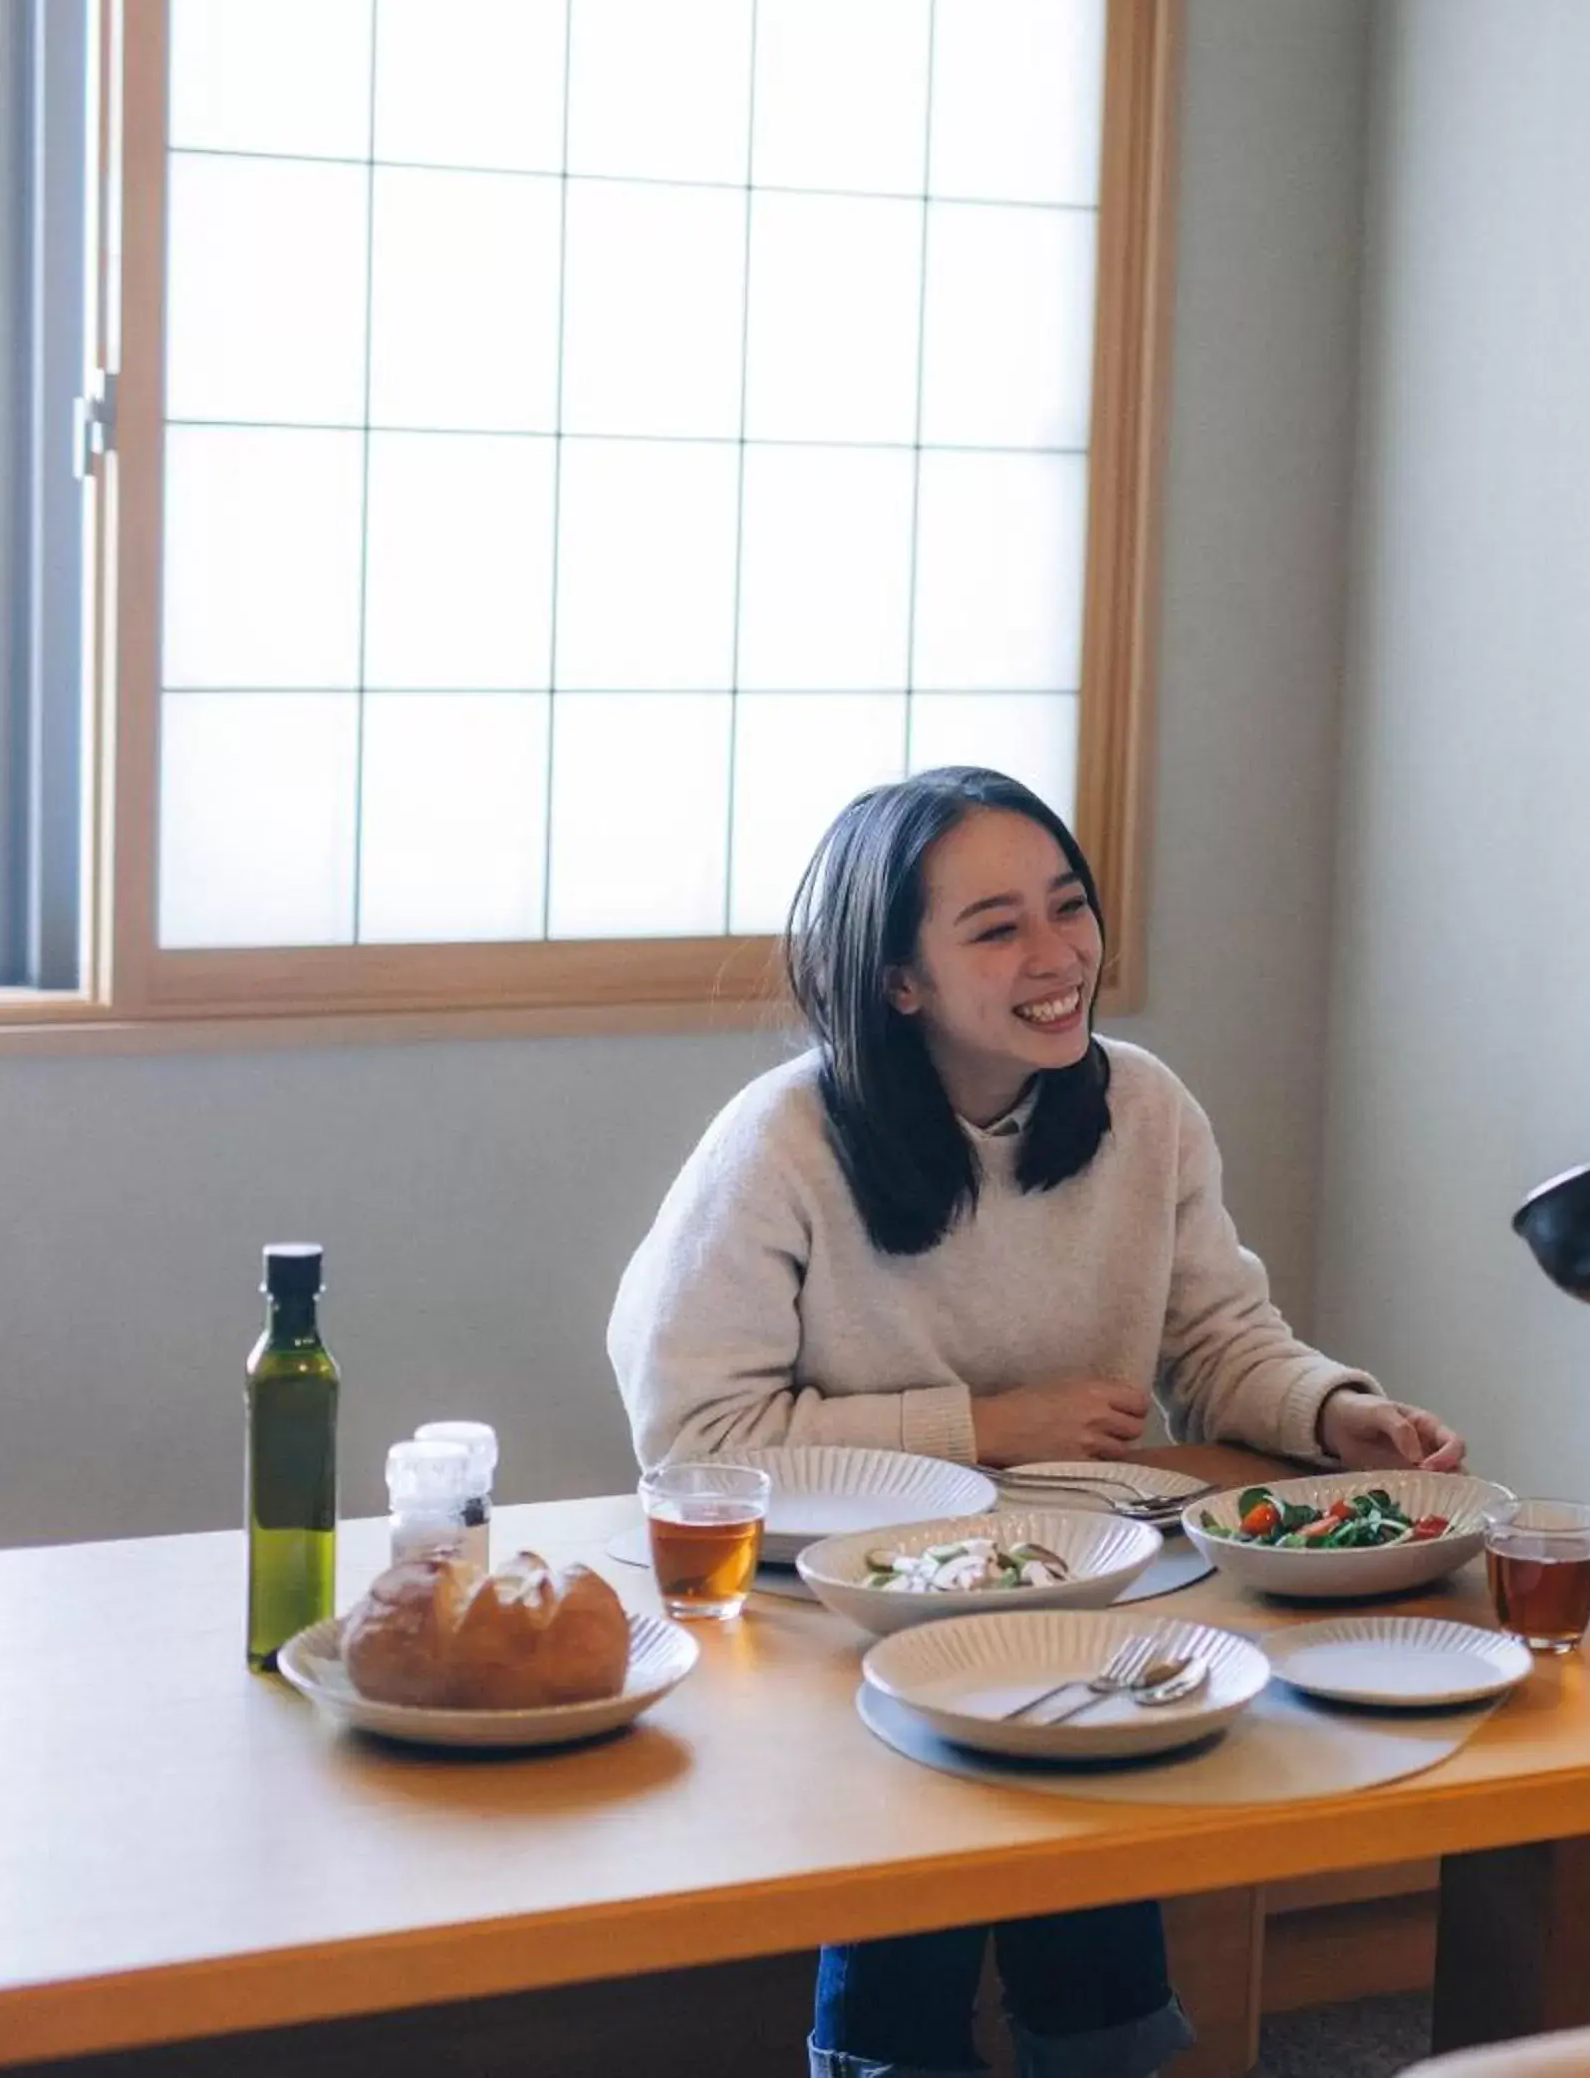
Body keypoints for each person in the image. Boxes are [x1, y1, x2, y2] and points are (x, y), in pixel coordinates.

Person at [610, 765, 1465, 2078]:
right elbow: (696, 1446)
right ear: (900, 978)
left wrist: (1334, 1411)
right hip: (845, 1616)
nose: (1060, 954)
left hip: (1085, 1583)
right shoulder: (782, 1139)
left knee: (1094, 1853)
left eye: (1070, 906)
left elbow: (1219, 1338)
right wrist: (985, 1422)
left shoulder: (1145, 1108)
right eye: (997, 927)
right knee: (916, 1875)